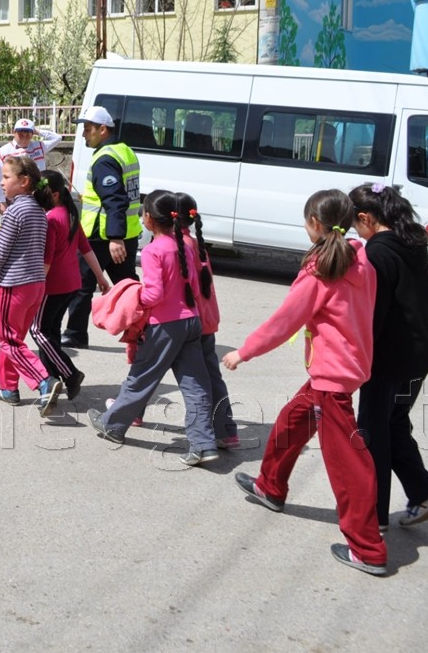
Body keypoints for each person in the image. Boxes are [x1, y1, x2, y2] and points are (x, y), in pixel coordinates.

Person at [222, 189, 386, 576]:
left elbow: (284, 322)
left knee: (350, 467)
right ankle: (270, 486)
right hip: (343, 370)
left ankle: (368, 549)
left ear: (314, 223)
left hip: (332, 379)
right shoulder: (362, 262)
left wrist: (243, 352)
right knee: (290, 424)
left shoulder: (321, 270)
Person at [85, 190, 216, 466]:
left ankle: (112, 425)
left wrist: (135, 297)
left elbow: (154, 294)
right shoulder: (183, 244)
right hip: (192, 321)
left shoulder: (154, 250)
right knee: (195, 385)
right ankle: (203, 444)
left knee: (141, 377)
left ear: (148, 218)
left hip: (166, 325)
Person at [349, 182, 428, 529]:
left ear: (366, 218)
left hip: (387, 363)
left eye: (355, 224)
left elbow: (374, 316)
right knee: (393, 424)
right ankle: (423, 493)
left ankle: (373, 518)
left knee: (372, 433)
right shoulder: (413, 243)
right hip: (418, 359)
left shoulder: (377, 255)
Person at [0, 155, 63, 417]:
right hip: (36, 284)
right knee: (15, 339)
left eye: (7, 177)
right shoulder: (38, 210)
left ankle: (45, 381)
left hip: (16, 284)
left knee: (9, 340)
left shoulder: (16, 210)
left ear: (24, 181)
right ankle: (8, 388)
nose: (2, 183)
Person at [61, 106, 142, 349]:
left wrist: (114, 238)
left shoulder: (105, 159)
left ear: (103, 129)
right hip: (125, 232)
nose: (85, 135)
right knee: (128, 284)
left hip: (103, 236)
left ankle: (75, 333)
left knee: (81, 285)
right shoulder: (125, 151)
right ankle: (145, 327)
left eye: (88, 129)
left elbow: (115, 200)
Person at [30, 169, 109, 401]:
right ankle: (51, 377)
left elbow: (47, 258)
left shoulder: (52, 218)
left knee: (37, 330)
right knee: (51, 330)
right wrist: (100, 277)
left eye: (40, 191)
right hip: (71, 283)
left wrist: (37, 286)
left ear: (54, 194)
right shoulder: (70, 213)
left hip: (52, 284)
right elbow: (85, 248)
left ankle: (70, 373)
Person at [176, 193, 240, 449]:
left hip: (187, 322)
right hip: (207, 320)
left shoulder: (178, 246)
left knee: (149, 368)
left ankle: (132, 413)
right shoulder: (195, 243)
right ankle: (226, 431)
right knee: (212, 376)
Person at [0, 119, 61, 211]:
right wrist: (2, 201)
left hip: (37, 195)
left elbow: (57, 138)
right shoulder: (4, 151)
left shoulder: (39, 147)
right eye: (21, 132)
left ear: (32, 134)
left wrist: (38, 131)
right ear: (14, 132)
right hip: (14, 197)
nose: (24, 136)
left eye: (28, 133)